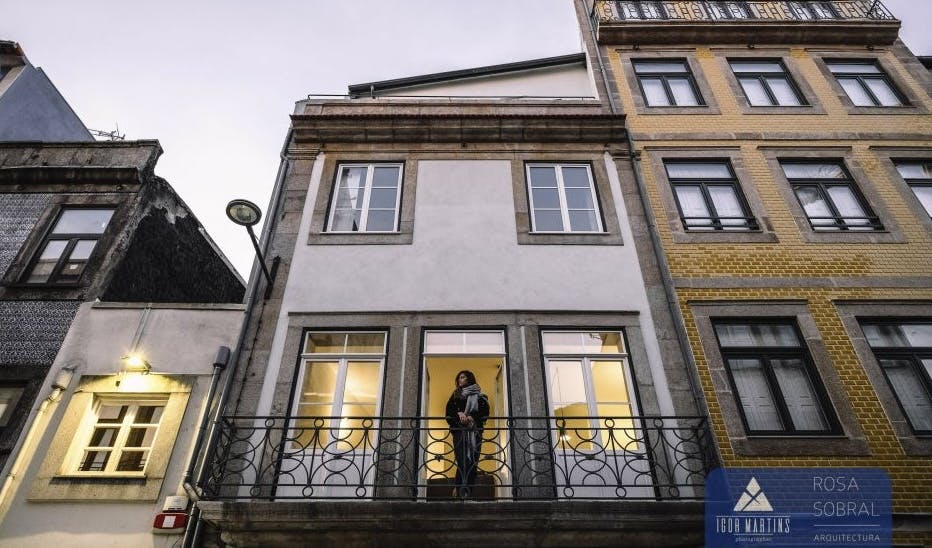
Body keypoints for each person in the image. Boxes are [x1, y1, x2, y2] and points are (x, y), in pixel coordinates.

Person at [445, 370, 490, 499]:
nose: (460, 380)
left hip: (475, 433)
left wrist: (472, 417)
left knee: (473, 462)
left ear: (469, 378)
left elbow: (485, 413)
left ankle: (467, 493)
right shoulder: (455, 395)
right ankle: (460, 490)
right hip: (459, 433)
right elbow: (448, 414)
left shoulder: (480, 396)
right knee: (462, 461)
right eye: (459, 378)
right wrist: (459, 415)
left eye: (463, 377)